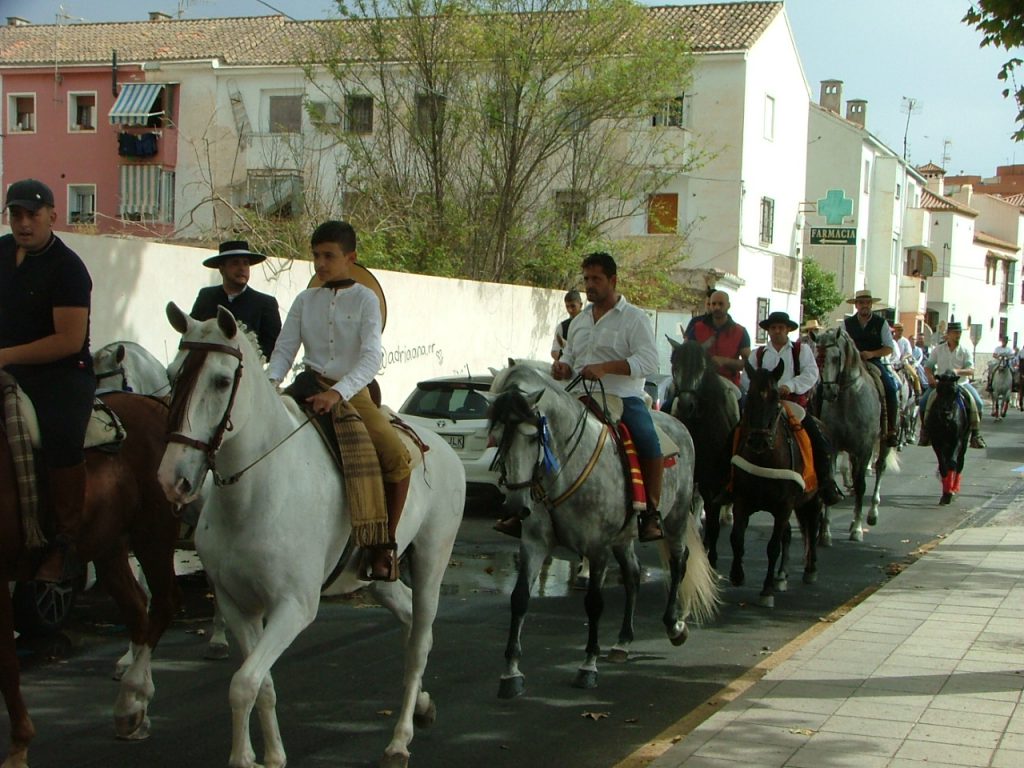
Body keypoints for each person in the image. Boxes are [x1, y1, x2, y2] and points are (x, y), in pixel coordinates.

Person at [267, 220, 411, 581]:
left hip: (352, 392)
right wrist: (270, 384)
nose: (320, 263)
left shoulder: (366, 299)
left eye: (329, 256)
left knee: (397, 458)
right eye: (316, 255)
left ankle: (383, 547)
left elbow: (371, 358)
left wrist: (337, 392)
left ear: (351, 257)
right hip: (307, 384)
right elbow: (284, 350)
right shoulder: (304, 300)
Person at [495, 251, 665, 542]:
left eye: (596, 279)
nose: (589, 285)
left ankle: (651, 512)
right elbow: (571, 357)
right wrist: (563, 367)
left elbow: (649, 361)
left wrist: (606, 368)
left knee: (648, 439)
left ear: (613, 280)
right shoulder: (580, 321)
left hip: (622, 397)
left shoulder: (635, 318)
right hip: (576, 395)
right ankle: (524, 508)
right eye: (586, 279)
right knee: (530, 432)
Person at [0, 179, 96, 583]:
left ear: (52, 215)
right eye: (16, 214)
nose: (24, 223)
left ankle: (65, 541)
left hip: (60, 371)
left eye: (32, 215)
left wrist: (5, 356)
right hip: (7, 363)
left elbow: (68, 340)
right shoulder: (2, 252)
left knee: (61, 433)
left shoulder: (68, 269)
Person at [751, 312, 843, 506]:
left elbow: (811, 373)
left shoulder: (801, 350)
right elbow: (747, 378)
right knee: (736, 434)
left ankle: (826, 483)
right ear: (768, 331)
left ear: (788, 330)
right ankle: (729, 482)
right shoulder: (758, 354)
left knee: (817, 439)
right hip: (765, 406)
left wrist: (790, 386)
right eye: (773, 328)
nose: (777, 331)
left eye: (781, 328)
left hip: (792, 403)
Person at [191, 240, 282, 359]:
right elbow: (192, 333)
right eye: (235, 263)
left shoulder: (265, 303)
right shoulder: (206, 297)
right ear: (222, 269)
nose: (242, 268)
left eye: (245, 263)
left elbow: (273, 348)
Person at [842, 289, 899, 447]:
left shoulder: (881, 323)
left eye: (867, 302)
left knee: (890, 388)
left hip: (873, 362)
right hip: (851, 363)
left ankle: (891, 429)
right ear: (856, 305)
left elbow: (889, 347)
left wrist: (872, 353)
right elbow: (842, 345)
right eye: (861, 303)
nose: (864, 305)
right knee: (827, 385)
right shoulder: (847, 324)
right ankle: (824, 424)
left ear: (871, 304)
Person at [918, 321, 986, 449]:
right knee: (923, 402)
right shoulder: (938, 349)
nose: (957, 335)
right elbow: (928, 366)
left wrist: (958, 371)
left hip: (960, 384)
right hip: (941, 385)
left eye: (959, 333)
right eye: (955, 332)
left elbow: (971, 370)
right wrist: (931, 378)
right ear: (948, 334)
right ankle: (925, 431)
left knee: (978, 403)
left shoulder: (965, 350)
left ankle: (975, 434)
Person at [683, 290, 751, 389]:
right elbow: (686, 355)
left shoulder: (740, 331)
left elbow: (748, 363)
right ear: (710, 305)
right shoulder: (697, 328)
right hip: (700, 382)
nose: (717, 307)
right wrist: (703, 348)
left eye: (720, 304)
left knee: (745, 398)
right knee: (671, 397)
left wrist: (726, 361)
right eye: (713, 304)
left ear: (728, 305)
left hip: (729, 384)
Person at [550, 289, 583, 360]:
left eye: (573, 306)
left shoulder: (590, 323)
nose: (570, 310)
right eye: (567, 307)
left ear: (580, 305)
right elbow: (554, 351)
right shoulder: (562, 326)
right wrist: (565, 361)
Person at [889, 322, 921, 396]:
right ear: (895, 330)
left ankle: (917, 391)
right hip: (891, 361)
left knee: (914, 375)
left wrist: (903, 358)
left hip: (903, 361)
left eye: (901, 330)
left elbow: (909, 353)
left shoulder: (905, 341)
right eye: (898, 330)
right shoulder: (890, 340)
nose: (900, 332)